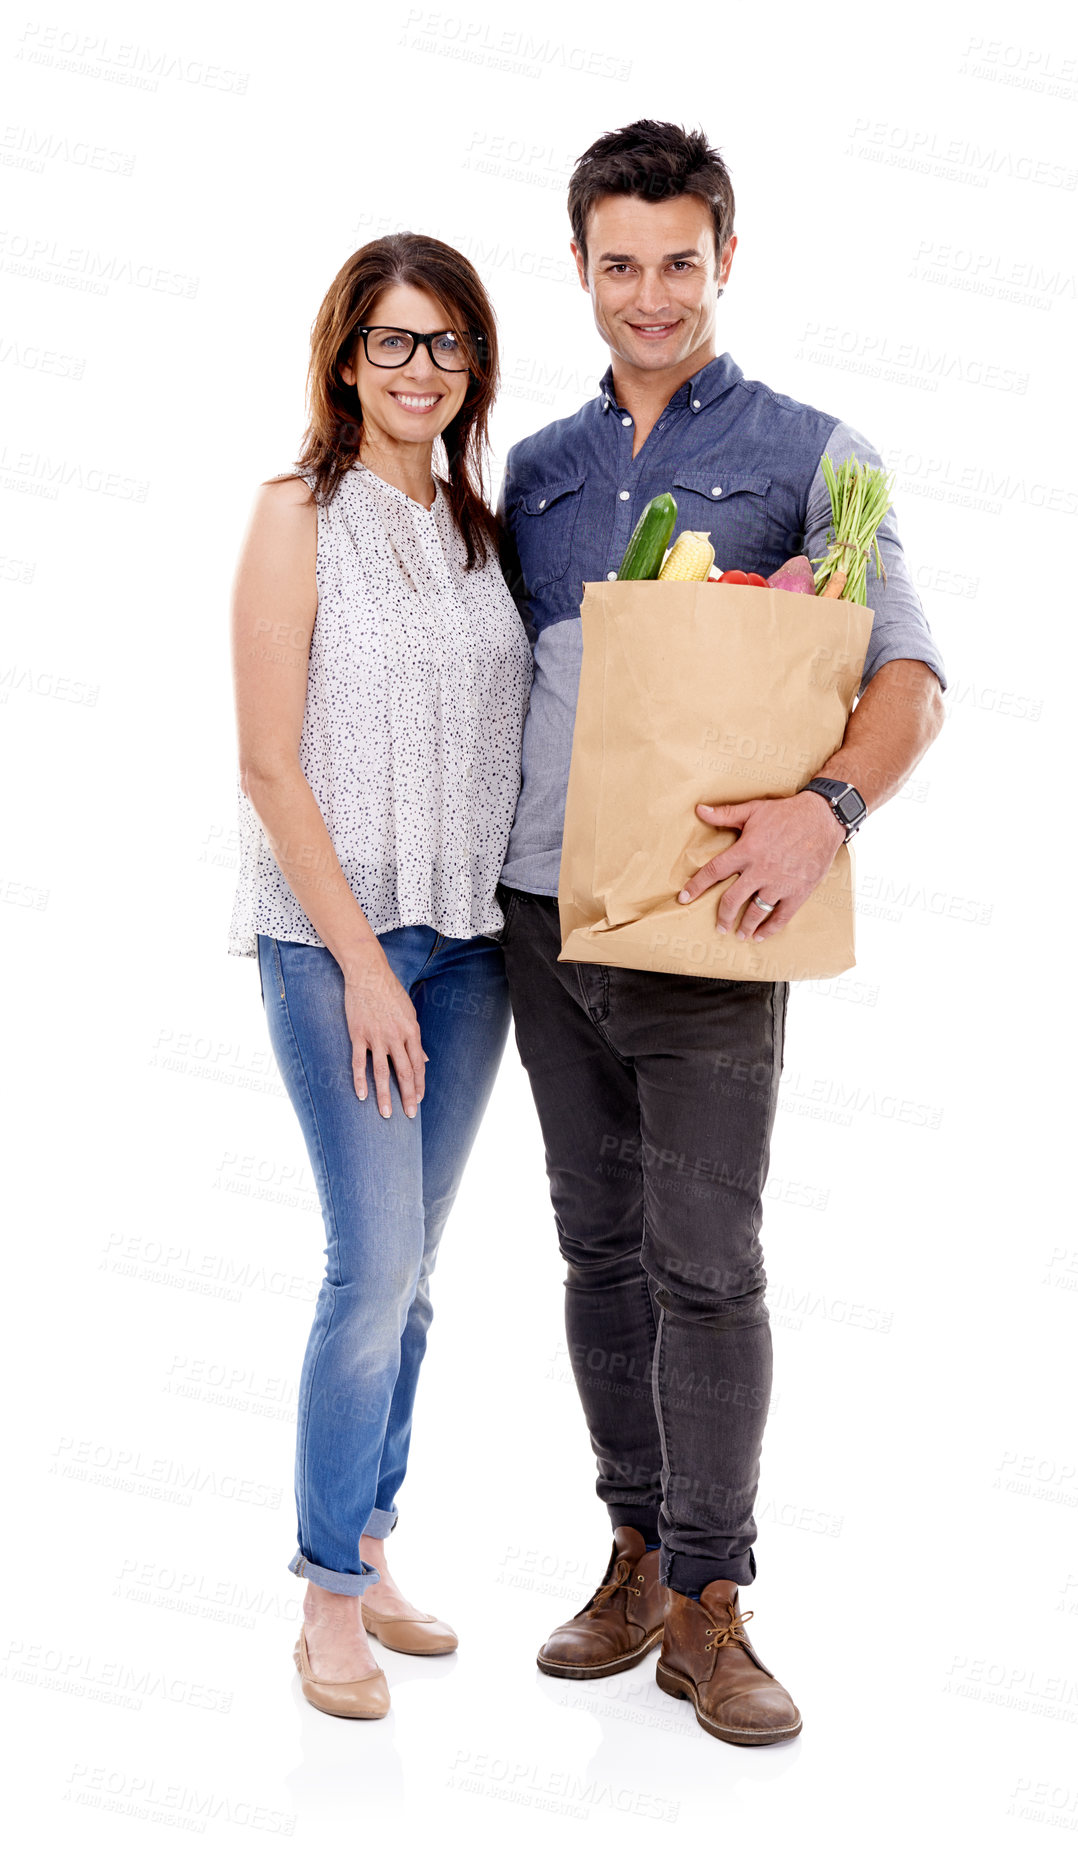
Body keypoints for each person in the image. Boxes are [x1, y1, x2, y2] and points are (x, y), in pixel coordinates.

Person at [494, 120, 947, 1746]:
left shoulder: (813, 452)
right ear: (582, 271)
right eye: (619, 263)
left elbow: (907, 675)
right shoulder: (534, 469)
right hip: (539, 919)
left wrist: (824, 810)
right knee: (595, 1249)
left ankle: (712, 1599)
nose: (649, 292)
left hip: (706, 926)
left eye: (677, 260)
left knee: (708, 1260)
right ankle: (629, 1549)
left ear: (723, 260)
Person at [227, 233, 533, 1719]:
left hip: (469, 947)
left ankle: (368, 1536)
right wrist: (359, 963)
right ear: (346, 357)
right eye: (395, 343)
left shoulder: (482, 529)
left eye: (449, 344)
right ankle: (324, 1601)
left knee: (414, 1278)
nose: (424, 370)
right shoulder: (297, 516)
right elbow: (270, 763)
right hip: (335, 943)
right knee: (369, 1271)